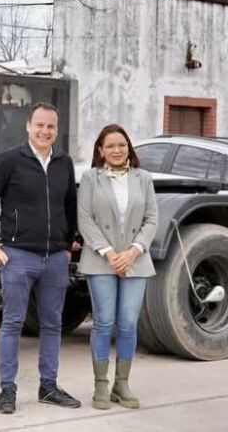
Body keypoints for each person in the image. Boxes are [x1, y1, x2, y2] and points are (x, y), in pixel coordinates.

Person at [0, 102, 81, 415]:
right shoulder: (9, 160)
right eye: (40, 125)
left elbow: (70, 205)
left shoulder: (64, 162)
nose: (45, 131)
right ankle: (7, 390)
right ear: (28, 126)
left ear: (56, 130)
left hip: (55, 259)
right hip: (18, 256)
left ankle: (48, 387)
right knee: (12, 324)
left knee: (52, 324)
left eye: (51, 127)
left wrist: (68, 242)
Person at [77, 123, 157, 410]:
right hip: (101, 260)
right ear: (100, 150)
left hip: (136, 260)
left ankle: (121, 385)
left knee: (128, 322)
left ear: (129, 148)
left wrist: (132, 253)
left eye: (121, 144)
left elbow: (151, 219)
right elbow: (85, 219)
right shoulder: (90, 178)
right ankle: (100, 385)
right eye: (110, 145)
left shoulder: (143, 178)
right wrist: (110, 253)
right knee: (103, 321)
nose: (116, 150)